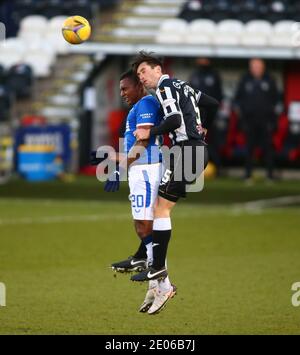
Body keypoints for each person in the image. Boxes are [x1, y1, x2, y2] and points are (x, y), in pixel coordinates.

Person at [130, 51, 219, 313]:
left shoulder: (166, 87)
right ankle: (149, 261)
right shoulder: (183, 86)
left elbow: (174, 120)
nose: (142, 78)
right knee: (160, 206)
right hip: (194, 148)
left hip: (187, 150)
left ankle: (157, 267)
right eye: (138, 75)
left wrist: (149, 131)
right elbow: (212, 102)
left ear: (158, 69)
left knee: (161, 209)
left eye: (144, 71)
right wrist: (203, 126)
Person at [92, 69, 176, 314]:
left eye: (125, 88)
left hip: (147, 170)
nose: (122, 94)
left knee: (145, 226)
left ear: (139, 86)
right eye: (120, 90)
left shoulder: (146, 103)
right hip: (141, 169)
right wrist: (110, 159)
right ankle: (155, 283)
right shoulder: (138, 107)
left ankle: (164, 285)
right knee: (141, 226)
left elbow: (143, 144)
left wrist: (119, 167)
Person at [234, 58, 280, 181]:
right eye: (254, 66)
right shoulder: (245, 80)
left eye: (258, 66)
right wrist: (241, 117)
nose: (256, 69)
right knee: (249, 148)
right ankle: (248, 175)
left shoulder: (270, 80)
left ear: (263, 67)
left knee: (268, 149)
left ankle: (270, 175)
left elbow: (277, 100)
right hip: (249, 120)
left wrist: (273, 118)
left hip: (266, 120)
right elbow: (237, 100)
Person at [189, 58, 223, 172]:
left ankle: (217, 167)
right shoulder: (194, 75)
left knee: (212, 142)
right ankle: (195, 168)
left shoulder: (214, 75)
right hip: (197, 116)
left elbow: (219, 97)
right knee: (195, 142)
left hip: (211, 115)